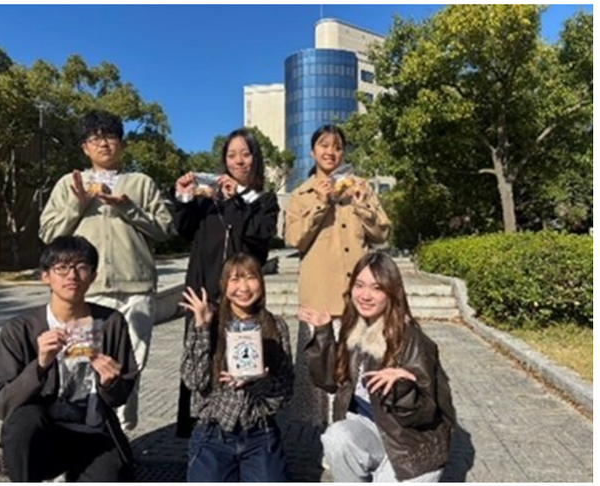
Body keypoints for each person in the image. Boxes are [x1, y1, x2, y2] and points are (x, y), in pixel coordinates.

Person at [39, 109, 171, 431]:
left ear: (122, 144)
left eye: (110, 136)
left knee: (130, 365)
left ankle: (121, 436)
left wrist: (127, 206)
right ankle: (81, 432)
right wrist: (78, 203)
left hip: (136, 289)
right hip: (86, 290)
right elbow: (48, 233)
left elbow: (164, 229)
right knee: (81, 362)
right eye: (95, 138)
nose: (103, 144)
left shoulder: (140, 182)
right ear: (85, 147)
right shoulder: (70, 184)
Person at [0, 236, 138, 482]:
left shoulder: (111, 322)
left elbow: (121, 394)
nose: (72, 276)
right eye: (62, 268)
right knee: (22, 424)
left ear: (93, 275)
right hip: (44, 436)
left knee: (114, 475)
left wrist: (109, 383)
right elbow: (1, 404)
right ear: (45, 276)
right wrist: (39, 365)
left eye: (81, 267)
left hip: (92, 433)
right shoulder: (20, 329)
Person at [299, 251, 456, 483]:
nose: (365, 295)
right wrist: (323, 334)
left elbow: (426, 414)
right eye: (359, 285)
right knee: (336, 437)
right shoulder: (354, 330)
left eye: (377, 288)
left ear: (391, 293)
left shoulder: (412, 340)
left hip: (409, 442)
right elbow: (329, 382)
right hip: (370, 429)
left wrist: (403, 386)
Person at [172, 127, 280, 437]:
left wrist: (240, 199)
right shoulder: (209, 199)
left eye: (245, 154)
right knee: (201, 354)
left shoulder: (263, 200)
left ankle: (244, 424)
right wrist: (184, 196)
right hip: (203, 290)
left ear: (255, 158)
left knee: (241, 354)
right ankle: (200, 427)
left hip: (242, 294)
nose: (238, 161)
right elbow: (184, 228)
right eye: (232, 155)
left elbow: (260, 236)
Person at [180, 253, 294, 482]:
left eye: (251, 278)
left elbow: (286, 389)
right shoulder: (209, 322)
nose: (243, 287)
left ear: (261, 282)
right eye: (235, 279)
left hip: (260, 434)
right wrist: (202, 327)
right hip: (212, 434)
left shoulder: (275, 326)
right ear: (224, 284)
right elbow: (194, 380)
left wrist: (259, 381)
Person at [285, 124, 391, 322]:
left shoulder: (361, 188)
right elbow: (294, 240)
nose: (330, 152)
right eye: (324, 145)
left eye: (338, 147)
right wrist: (320, 204)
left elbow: (382, 235)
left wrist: (361, 206)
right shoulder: (300, 196)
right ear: (312, 152)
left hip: (361, 303)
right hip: (319, 305)